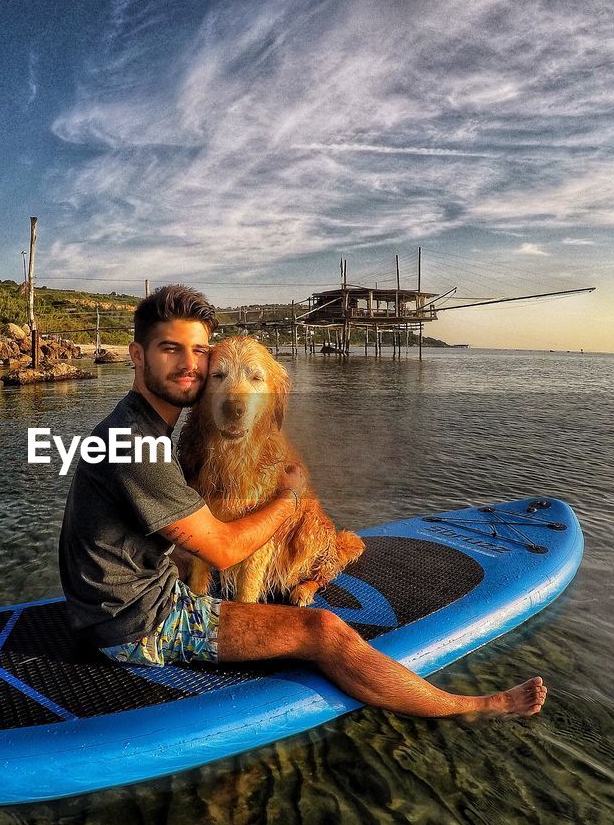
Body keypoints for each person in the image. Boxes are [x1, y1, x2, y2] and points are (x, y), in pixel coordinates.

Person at [58, 285, 546, 718]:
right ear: (136, 356)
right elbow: (226, 550)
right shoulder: (135, 443)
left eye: (199, 351)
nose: (189, 366)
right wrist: (289, 497)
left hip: (116, 605)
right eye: (170, 350)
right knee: (325, 631)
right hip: (143, 626)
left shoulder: (143, 429)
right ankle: (476, 705)